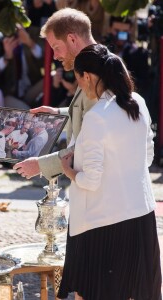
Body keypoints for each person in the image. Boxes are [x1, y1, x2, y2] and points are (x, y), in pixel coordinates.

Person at [58, 43, 161, 300]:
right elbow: (146, 157)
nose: (79, 85)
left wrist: (68, 169)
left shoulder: (97, 117)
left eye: (79, 79)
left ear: (89, 77)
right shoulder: (138, 102)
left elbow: (90, 181)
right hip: (140, 213)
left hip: (102, 221)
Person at [13, 7, 97, 179]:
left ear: (72, 39)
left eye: (56, 47)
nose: (55, 56)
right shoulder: (92, 66)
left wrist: (40, 165)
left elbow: (92, 141)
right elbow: (87, 115)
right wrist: (55, 115)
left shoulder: (97, 72)